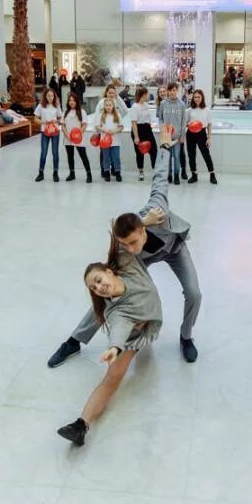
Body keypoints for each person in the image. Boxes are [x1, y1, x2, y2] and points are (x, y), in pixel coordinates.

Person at [48, 127, 201, 372]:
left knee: (194, 292)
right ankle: (74, 341)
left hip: (174, 248)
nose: (129, 248)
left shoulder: (156, 210)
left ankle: (186, 336)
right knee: (108, 296)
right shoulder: (127, 251)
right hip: (144, 261)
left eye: (132, 242)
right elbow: (109, 275)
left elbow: (160, 178)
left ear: (142, 230)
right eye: (124, 244)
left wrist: (163, 148)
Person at [56, 249, 163, 447]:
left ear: (110, 272)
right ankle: (80, 425)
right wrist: (115, 348)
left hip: (148, 322)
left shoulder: (129, 268)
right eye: (93, 288)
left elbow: (121, 241)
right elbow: (119, 331)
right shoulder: (116, 312)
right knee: (112, 378)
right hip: (133, 337)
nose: (98, 287)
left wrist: (146, 222)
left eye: (98, 280)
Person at [185, 89, 217, 185]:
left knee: (206, 154)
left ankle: (212, 174)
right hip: (190, 133)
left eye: (198, 97)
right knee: (191, 155)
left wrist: (209, 137)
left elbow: (209, 125)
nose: (196, 99)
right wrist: (190, 125)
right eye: (195, 97)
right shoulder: (189, 110)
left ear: (202, 98)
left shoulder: (207, 110)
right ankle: (194, 175)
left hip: (202, 133)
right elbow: (186, 123)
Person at [157, 82, 187, 184]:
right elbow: (160, 119)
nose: (172, 92)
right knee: (168, 157)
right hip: (166, 136)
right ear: (168, 91)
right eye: (171, 90)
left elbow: (184, 121)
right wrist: (162, 129)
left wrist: (182, 135)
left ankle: (176, 175)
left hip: (177, 136)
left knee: (177, 156)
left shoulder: (182, 104)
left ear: (177, 91)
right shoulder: (163, 104)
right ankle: (169, 175)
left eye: (174, 90)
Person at [61, 93, 92, 183]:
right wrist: (68, 135)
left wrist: (78, 135)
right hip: (68, 139)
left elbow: (84, 125)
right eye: (70, 100)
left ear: (77, 101)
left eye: (73, 100)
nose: (71, 102)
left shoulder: (82, 112)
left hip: (79, 138)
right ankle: (72, 174)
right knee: (70, 156)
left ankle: (89, 174)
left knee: (83, 155)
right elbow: (63, 126)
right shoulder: (65, 112)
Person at [35, 88, 63, 183]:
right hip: (44, 132)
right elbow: (35, 119)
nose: (50, 98)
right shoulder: (41, 106)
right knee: (44, 152)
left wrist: (57, 121)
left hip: (55, 132)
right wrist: (44, 122)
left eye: (52, 96)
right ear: (45, 96)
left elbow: (60, 119)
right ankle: (41, 173)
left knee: (55, 153)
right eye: (48, 96)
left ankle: (55, 172)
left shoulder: (57, 106)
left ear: (54, 96)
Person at [129, 87, 156, 181]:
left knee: (154, 151)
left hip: (147, 129)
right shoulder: (134, 107)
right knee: (139, 152)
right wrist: (136, 136)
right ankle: (141, 171)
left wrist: (151, 124)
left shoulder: (146, 104)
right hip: (138, 130)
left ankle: (155, 171)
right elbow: (134, 123)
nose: (148, 95)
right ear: (143, 95)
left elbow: (148, 117)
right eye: (147, 94)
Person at [95, 97, 125, 182]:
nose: (108, 107)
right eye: (107, 105)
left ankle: (118, 172)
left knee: (116, 157)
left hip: (115, 141)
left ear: (113, 106)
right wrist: (104, 130)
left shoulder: (117, 115)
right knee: (106, 157)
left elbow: (121, 127)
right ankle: (106, 172)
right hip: (104, 141)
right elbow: (97, 126)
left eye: (110, 105)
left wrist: (114, 131)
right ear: (104, 106)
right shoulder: (101, 115)